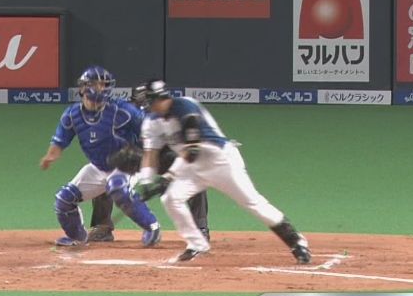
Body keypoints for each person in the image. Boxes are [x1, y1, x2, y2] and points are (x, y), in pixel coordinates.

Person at [133, 80, 312, 264]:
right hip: (193, 167)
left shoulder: (186, 107)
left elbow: (192, 149)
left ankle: (297, 242)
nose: (151, 106)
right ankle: (196, 244)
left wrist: (168, 177)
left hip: (221, 161)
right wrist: (146, 181)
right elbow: (150, 153)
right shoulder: (151, 122)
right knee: (171, 198)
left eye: (153, 101)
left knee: (253, 203)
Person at [39, 66, 161, 247]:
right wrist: (50, 156)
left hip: (125, 165)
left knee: (117, 187)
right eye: (96, 84)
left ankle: (152, 227)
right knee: (64, 199)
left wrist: (142, 151)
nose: (101, 88)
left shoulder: (122, 110)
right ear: (83, 87)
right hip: (98, 167)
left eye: (104, 85)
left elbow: (150, 128)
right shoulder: (72, 115)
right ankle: (78, 237)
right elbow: (60, 141)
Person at [87, 83, 210, 242]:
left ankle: (200, 228)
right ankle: (102, 226)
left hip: (165, 157)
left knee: (193, 173)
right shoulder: (124, 117)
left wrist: (170, 175)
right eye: (141, 104)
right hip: (136, 158)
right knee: (105, 171)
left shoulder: (169, 115)